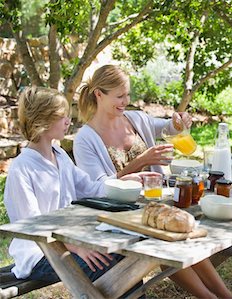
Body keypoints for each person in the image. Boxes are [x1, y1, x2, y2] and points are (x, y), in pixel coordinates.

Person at [73, 64, 232, 299]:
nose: (125, 101)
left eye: (127, 94)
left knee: (184, 237)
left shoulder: (135, 119)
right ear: (98, 94)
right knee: (168, 244)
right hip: (121, 215)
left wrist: (180, 122)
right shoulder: (85, 139)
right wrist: (140, 161)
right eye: (119, 96)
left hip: (155, 204)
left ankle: (225, 296)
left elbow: (168, 127)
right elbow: (100, 188)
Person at [3, 87, 148, 295]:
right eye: (62, 117)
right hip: (40, 253)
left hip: (69, 242)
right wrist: (75, 247)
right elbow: (32, 226)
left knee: (126, 254)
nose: (68, 122)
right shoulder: (22, 168)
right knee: (111, 263)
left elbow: (90, 188)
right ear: (43, 121)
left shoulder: (59, 155)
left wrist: (123, 180)